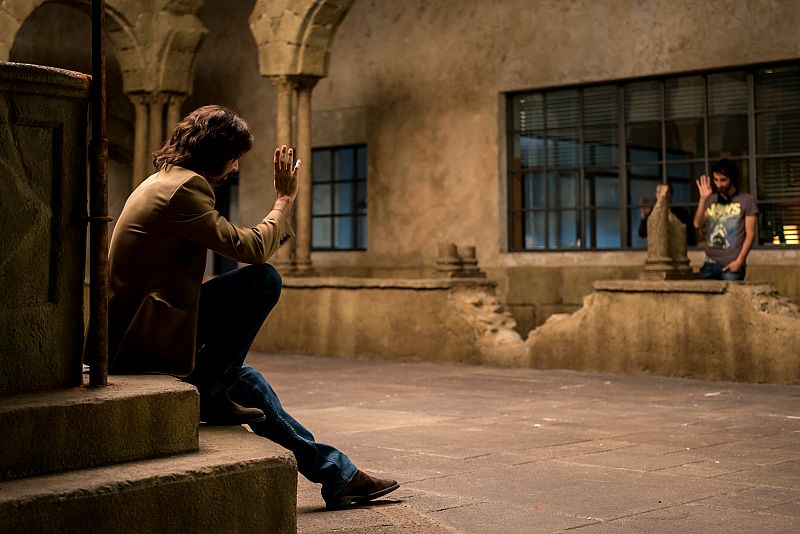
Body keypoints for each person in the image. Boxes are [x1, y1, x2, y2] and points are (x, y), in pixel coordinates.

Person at [107, 104, 399, 509]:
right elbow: (253, 249)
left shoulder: (165, 181)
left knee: (249, 384)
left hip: (148, 326)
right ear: (216, 155)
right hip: (142, 341)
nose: (236, 169)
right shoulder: (184, 190)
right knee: (264, 280)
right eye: (235, 159)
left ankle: (338, 474)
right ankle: (213, 388)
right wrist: (283, 200)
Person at [693, 159, 758, 280]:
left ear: (732, 179)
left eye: (723, 180)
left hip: (731, 264)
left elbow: (750, 235)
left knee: (731, 298)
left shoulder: (747, 200)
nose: (718, 184)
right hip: (709, 263)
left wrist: (739, 261)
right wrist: (702, 199)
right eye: (716, 180)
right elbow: (697, 224)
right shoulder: (710, 199)